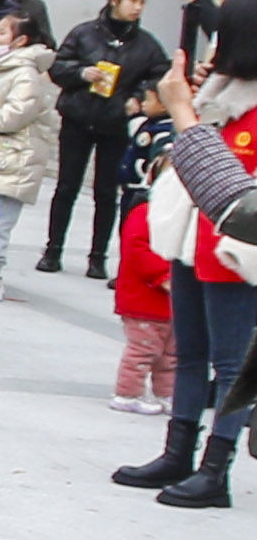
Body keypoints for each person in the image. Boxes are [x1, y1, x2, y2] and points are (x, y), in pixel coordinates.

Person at [115, 48, 257, 506]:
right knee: (189, 354)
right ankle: (178, 452)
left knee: (232, 365)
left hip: (235, 250)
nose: (212, 58)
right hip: (191, 236)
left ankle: (216, 469)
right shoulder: (218, 99)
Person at [42, 0, 169, 278]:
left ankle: (98, 257)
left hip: (115, 124)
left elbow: (159, 75)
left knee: (106, 191)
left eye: (141, 2)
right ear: (114, 0)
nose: (137, 8)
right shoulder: (85, 34)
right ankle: (53, 250)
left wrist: (137, 98)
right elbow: (58, 66)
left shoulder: (146, 44)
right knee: (66, 186)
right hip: (78, 117)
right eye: (132, 0)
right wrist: (82, 73)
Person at [0, 11, 56, 301]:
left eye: (3, 33)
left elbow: (14, 116)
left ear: (21, 40)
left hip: (16, 160)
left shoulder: (26, 73)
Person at [111, 151, 177, 413]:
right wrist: (163, 275)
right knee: (142, 351)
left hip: (172, 303)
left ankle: (168, 394)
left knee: (171, 355)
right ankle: (127, 393)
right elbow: (137, 248)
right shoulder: (144, 211)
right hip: (144, 298)